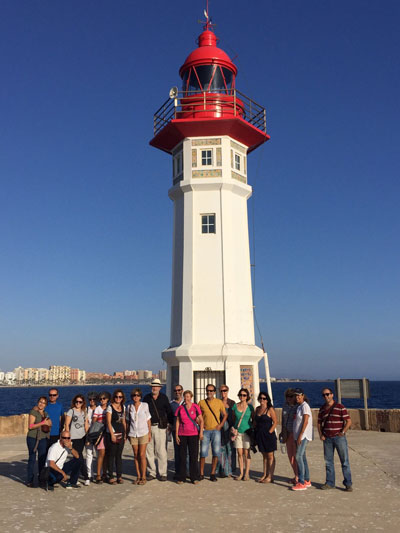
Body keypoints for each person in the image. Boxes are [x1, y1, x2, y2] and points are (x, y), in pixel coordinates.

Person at [318, 387, 353, 491]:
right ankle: (330, 483)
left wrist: (343, 432)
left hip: (339, 438)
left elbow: (348, 421)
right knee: (328, 462)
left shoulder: (340, 407)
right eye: (324, 395)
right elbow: (319, 422)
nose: (326, 396)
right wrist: (321, 434)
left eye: (327, 394)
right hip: (327, 438)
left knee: (345, 462)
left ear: (332, 395)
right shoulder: (322, 409)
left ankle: (348, 483)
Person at [143, 379, 173, 481]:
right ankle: (151, 472)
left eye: (156, 386)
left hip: (161, 428)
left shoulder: (164, 398)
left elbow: (169, 412)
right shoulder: (146, 398)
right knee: (149, 451)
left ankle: (163, 473)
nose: (154, 388)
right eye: (153, 386)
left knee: (161, 451)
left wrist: (170, 424)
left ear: (160, 388)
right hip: (149, 427)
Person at [198, 384, 228, 482]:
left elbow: (225, 415)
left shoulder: (219, 402)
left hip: (216, 430)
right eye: (208, 390)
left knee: (216, 453)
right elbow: (197, 416)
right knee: (202, 453)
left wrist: (220, 425)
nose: (209, 392)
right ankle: (201, 473)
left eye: (211, 391)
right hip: (205, 431)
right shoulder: (201, 403)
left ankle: (212, 473)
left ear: (215, 392)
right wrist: (201, 425)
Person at [175, 390, 204, 484]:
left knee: (194, 456)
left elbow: (201, 420)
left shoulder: (195, 407)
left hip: (194, 434)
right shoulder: (180, 408)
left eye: (188, 396)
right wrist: (176, 434)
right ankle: (182, 477)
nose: (186, 398)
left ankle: (194, 477)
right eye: (185, 396)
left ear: (191, 397)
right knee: (182, 456)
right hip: (182, 434)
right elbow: (178, 421)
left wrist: (201, 433)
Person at [126, 388, 151, 485]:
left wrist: (149, 433)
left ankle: (144, 476)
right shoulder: (129, 407)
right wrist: (126, 433)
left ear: (140, 396)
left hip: (143, 432)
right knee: (136, 455)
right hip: (133, 433)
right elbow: (128, 421)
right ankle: (138, 476)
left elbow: (148, 419)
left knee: (142, 455)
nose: (136, 397)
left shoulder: (145, 405)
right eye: (134, 395)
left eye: (137, 395)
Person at [26, 396, 51, 487]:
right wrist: (43, 423)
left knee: (42, 459)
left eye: (43, 403)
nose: (41, 404)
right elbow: (30, 426)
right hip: (33, 438)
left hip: (43, 438)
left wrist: (48, 423)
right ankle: (30, 480)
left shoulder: (45, 413)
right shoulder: (33, 412)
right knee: (32, 459)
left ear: (45, 405)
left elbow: (49, 423)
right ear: (38, 402)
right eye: (40, 402)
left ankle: (41, 479)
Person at [64, 394, 89, 484]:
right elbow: (67, 424)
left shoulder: (84, 412)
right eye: (76, 402)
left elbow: (86, 424)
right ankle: (86, 476)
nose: (78, 403)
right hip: (74, 437)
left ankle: (75, 476)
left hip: (82, 437)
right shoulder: (71, 411)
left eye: (80, 402)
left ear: (83, 403)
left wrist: (87, 435)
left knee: (78, 458)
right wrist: (68, 437)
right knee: (79, 457)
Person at [291, 388, 313, 491]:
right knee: (303, 457)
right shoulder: (299, 407)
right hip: (298, 436)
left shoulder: (305, 406)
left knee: (298, 456)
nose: (297, 397)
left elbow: (305, 421)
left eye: (299, 395)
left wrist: (300, 435)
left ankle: (301, 482)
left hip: (303, 436)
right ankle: (307, 480)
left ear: (303, 395)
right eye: (296, 396)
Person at [231, 388, 254, 481]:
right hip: (238, 433)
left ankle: (247, 473)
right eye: (241, 395)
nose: (242, 397)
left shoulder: (250, 407)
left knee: (246, 453)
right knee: (239, 453)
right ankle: (241, 473)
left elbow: (254, 419)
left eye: (244, 395)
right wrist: (233, 428)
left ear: (247, 396)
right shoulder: (235, 406)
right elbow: (233, 419)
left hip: (247, 432)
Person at [254, 392, 277, 483]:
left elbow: (275, 422)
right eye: (260, 398)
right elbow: (255, 421)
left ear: (267, 400)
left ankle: (270, 476)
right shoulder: (257, 409)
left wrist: (270, 431)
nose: (262, 400)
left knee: (270, 456)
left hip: (268, 435)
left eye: (264, 398)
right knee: (264, 455)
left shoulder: (270, 409)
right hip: (259, 435)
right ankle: (264, 474)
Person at [105, 389, 127, 484]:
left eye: (120, 397)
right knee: (111, 455)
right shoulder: (110, 408)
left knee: (119, 455)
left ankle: (119, 476)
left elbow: (123, 421)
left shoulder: (123, 407)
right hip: (112, 434)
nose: (118, 398)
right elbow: (108, 422)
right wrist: (112, 434)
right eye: (117, 396)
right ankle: (110, 476)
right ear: (114, 397)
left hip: (121, 433)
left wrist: (125, 434)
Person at [279, 388, 298, 484]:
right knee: (290, 456)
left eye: (291, 396)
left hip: (295, 434)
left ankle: (300, 477)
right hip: (287, 433)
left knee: (297, 456)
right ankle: (296, 475)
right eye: (287, 396)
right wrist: (282, 432)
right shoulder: (285, 406)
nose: (289, 398)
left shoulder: (298, 407)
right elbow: (283, 419)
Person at [217, 384, 235, 478]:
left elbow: (235, 416)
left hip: (229, 428)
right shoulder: (218, 402)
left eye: (225, 390)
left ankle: (230, 470)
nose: (223, 392)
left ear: (227, 391)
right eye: (221, 391)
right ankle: (222, 470)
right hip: (220, 428)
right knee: (221, 449)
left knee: (230, 450)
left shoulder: (232, 403)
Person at [92, 391, 110, 483]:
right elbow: (94, 421)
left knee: (107, 455)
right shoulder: (98, 409)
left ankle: (104, 473)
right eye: (101, 399)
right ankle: (98, 474)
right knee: (101, 454)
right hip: (100, 434)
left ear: (107, 399)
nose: (102, 400)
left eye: (104, 398)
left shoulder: (110, 408)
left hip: (108, 433)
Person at [170, 384, 184, 480]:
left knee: (186, 452)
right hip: (175, 431)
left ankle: (186, 471)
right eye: (175, 390)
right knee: (177, 452)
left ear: (182, 391)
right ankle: (178, 472)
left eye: (179, 390)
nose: (177, 392)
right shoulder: (171, 404)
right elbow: (169, 417)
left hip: (187, 430)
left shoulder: (186, 403)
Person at [85, 391, 98, 485]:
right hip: (89, 434)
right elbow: (85, 422)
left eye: (94, 399)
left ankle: (99, 474)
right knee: (89, 455)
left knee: (99, 454)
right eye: (90, 399)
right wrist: (87, 435)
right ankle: (89, 474)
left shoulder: (100, 409)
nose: (92, 401)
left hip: (98, 435)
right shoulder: (86, 409)